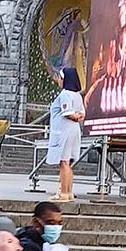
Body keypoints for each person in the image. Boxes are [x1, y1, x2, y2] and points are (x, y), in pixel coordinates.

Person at [46, 68, 85, 202]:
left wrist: (74, 116)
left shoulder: (65, 94)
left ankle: (63, 192)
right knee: (68, 163)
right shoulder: (78, 96)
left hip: (64, 131)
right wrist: (77, 116)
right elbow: (81, 114)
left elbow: (68, 113)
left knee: (64, 162)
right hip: (74, 131)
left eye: (60, 78)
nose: (58, 80)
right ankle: (68, 192)